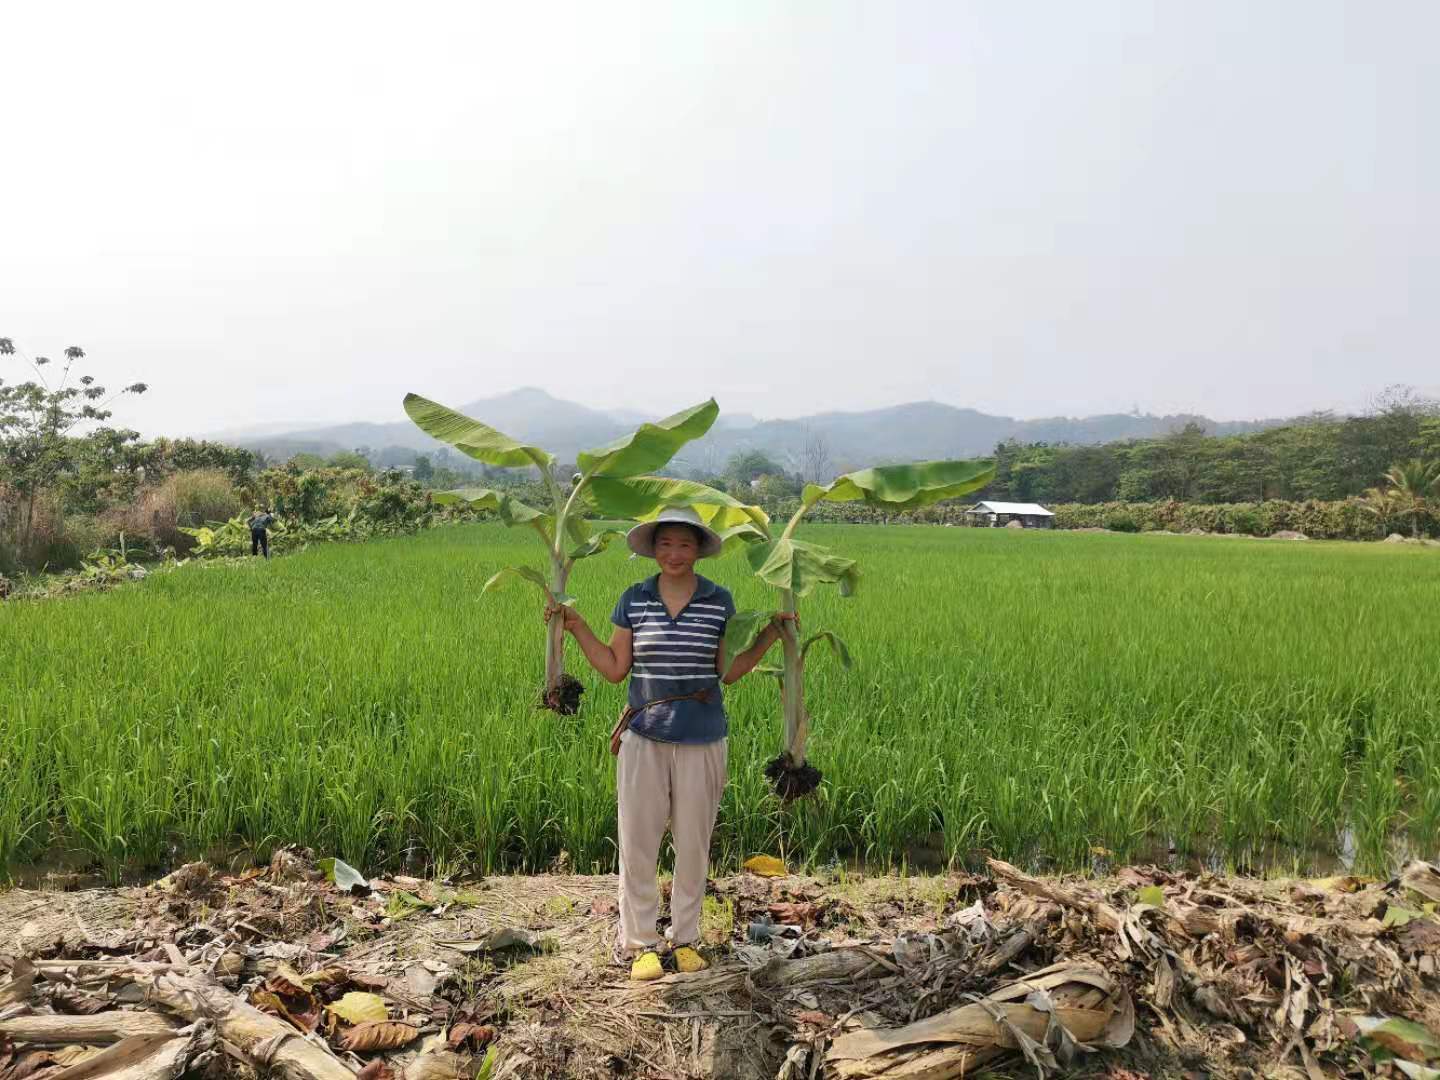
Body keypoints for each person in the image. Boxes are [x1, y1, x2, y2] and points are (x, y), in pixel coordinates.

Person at [546, 506, 793, 981]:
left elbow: (728, 671)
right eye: (665, 544)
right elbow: (615, 668)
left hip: (703, 738)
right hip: (644, 737)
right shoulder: (634, 599)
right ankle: (640, 941)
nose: (674, 553)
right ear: (653, 549)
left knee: (693, 842)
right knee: (638, 841)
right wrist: (576, 626)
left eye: (684, 544)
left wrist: (770, 635)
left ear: (698, 550)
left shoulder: (719, 601)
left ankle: (685, 938)